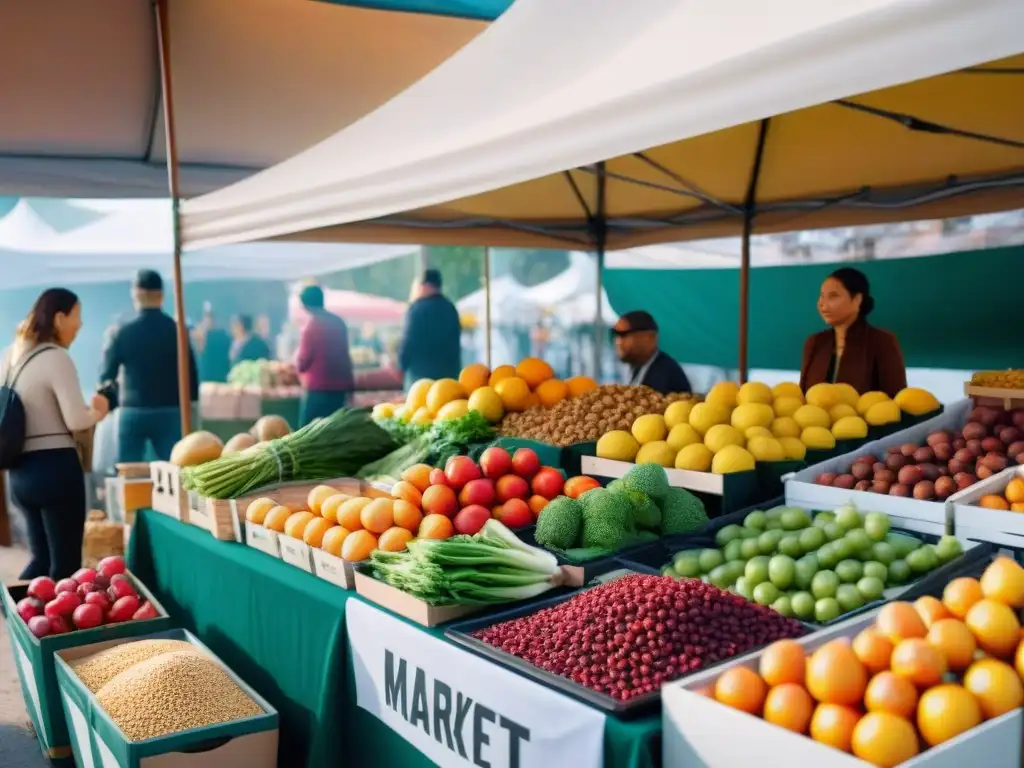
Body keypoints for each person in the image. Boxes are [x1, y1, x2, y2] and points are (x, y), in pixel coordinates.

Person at [1, 288, 109, 579]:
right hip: (55, 470)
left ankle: (17, 613)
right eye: (77, 315)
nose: (81, 324)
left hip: (19, 474)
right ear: (60, 318)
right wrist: (99, 410)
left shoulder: (10, 356)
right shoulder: (56, 357)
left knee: (41, 560)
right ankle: (54, 623)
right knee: (65, 567)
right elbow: (76, 419)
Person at [99, 270, 198, 462]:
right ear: (161, 295)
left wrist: (109, 403)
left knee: (128, 472)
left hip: (132, 409)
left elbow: (106, 375)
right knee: (174, 468)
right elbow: (191, 374)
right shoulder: (177, 331)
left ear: (135, 293)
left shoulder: (123, 332)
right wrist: (192, 405)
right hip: (170, 410)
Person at [800, 267, 907, 397]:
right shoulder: (814, 342)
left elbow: (897, 400)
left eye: (833, 296)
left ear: (857, 299)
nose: (822, 304)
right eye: (821, 296)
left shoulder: (882, 341)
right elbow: (802, 397)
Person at [294, 285, 354, 425]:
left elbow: (303, 362)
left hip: (318, 388)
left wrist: (296, 364)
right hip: (340, 387)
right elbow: (346, 356)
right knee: (335, 430)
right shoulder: (339, 322)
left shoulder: (311, 326)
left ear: (305, 305)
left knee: (308, 431)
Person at [398, 269, 461, 389]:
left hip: (420, 378)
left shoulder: (416, 310)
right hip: (448, 378)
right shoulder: (450, 309)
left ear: (424, 285)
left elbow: (408, 341)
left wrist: (401, 365)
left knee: (418, 406)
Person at [612, 310, 692, 395]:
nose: (618, 342)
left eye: (624, 335)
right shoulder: (639, 366)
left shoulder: (665, 375)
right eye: (615, 335)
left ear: (650, 338)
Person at [196, 304, 231, 383]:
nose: (208, 321)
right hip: (204, 376)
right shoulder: (199, 335)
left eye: (210, 318)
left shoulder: (222, 336)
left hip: (219, 375)